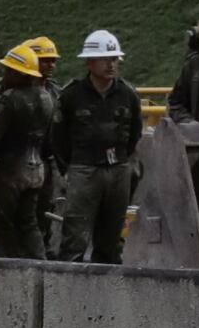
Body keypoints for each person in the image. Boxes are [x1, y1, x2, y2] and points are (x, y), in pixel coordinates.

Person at [53, 29, 146, 266]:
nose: (111, 65)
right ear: (90, 62)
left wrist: (123, 160)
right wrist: (69, 168)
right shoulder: (71, 95)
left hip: (118, 169)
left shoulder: (127, 94)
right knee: (75, 234)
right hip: (83, 169)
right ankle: (69, 280)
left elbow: (135, 132)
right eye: (105, 59)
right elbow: (58, 136)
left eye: (114, 59)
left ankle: (108, 279)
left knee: (113, 234)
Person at [0, 35, 58, 256]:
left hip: (10, 169)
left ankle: (10, 265)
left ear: (17, 72)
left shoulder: (8, 99)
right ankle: (39, 263)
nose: (5, 74)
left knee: (0, 223)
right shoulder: (47, 98)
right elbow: (51, 138)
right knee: (30, 222)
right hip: (38, 169)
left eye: (8, 70)